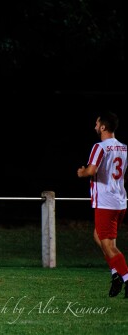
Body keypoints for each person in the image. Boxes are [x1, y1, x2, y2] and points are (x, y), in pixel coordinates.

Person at [77, 111, 128, 298]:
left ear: (103, 127)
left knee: (109, 246)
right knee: (99, 237)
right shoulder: (123, 148)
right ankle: (116, 274)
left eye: (97, 124)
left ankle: (125, 277)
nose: (95, 127)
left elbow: (92, 170)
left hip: (106, 202)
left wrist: (81, 172)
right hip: (120, 201)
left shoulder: (100, 147)